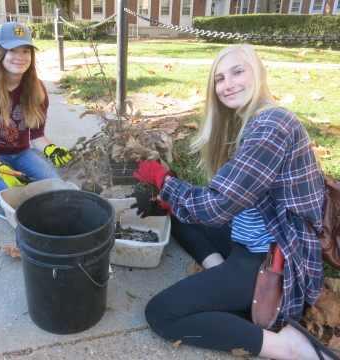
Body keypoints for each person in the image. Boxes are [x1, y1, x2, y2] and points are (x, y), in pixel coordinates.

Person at [134, 44, 336, 360]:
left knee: (161, 314)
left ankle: (288, 347)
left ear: (258, 73)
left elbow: (218, 206)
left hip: (276, 260)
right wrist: (174, 199)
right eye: (219, 78)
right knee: (175, 215)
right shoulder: (254, 121)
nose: (227, 84)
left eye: (238, 72)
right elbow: (226, 203)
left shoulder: (272, 127)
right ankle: (222, 269)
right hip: (253, 237)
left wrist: (163, 179)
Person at [0, 22, 71, 204]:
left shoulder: (37, 88)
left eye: (26, 51)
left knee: (58, 189)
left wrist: (50, 149)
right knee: (16, 199)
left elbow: (37, 135)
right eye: (12, 50)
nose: (20, 57)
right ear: (0, 53)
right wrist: (1, 168)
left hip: (22, 153)